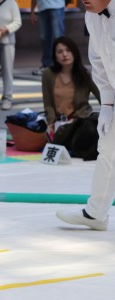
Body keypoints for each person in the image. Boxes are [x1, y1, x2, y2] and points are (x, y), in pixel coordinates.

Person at [56, 0, 114, 231]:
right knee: (108, 149)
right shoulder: (92, 17)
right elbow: (99, 63)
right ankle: (96, 213)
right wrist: (107, 105)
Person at [42, 36, 100, 142]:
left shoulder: (85, 74)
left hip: (80, 122)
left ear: (74, 52)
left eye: (68, 50)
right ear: (55, 56)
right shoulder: (47, 74)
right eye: (60, 52)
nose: (64, 54)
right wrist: (51, 123)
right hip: (58, 123)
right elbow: (48, 104)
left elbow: (102, 96)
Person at [30, 0, 65, 76]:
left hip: (57, 6)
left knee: (58, 37)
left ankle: (61, 65)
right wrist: (32, 11)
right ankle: (46, 65)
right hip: (42, 7)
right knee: (44, 37)